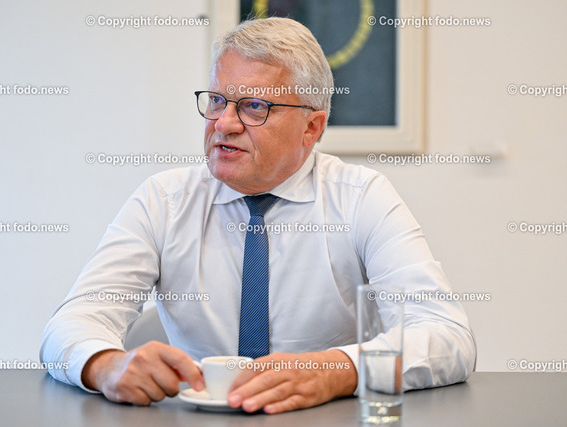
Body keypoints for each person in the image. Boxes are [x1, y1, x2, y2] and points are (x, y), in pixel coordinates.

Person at [40, 17, 476, 414]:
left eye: (253, 107)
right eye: (217, 101)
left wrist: (336, 371)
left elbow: (447, 335)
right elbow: (74, 321)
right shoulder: (164, 200)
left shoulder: (361, 198)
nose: (223, 124)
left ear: (312, 127)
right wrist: (105, 365)